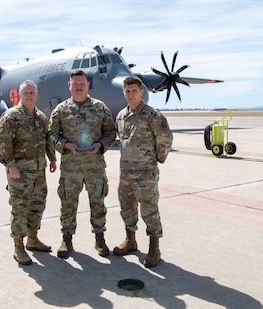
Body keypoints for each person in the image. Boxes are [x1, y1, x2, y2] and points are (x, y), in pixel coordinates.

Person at [49, 69, 116, 258]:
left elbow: (111, 132)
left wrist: (100, 145)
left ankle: (100, 238)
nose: (78, 87)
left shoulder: (100, 107)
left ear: (88, 85)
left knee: (98, 203)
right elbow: (52, 135)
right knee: (68, 204)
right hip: (70, 168)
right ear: (69, 86)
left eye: (82, 83)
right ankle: (67, 239)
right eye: (75, 84)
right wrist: (66, 145)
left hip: (95, 166)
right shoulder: (61, 110)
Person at [113, 76, 173, 268]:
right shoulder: (121, 116)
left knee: (150, 210)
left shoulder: (152, 115)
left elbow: (165, 139)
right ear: (124, 93)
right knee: (127, 208)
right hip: (126, 172)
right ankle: (130, 240)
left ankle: (154, 248)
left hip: (145, 173)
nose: (131, 95)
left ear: (141, 92)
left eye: (134, 91)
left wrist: (156, 159)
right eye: (127, 91)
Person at [0, 80, 57, 265]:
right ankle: (18, 246)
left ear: (37, 95)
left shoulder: (40, 117)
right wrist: (10, 165)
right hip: (20, 173)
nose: (29, 95)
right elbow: (3, 143)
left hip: (39, 171)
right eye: (26, 93)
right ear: (20, 95)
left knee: (37, 206)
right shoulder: (11, 116)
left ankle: (32, 239)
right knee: (19, 208)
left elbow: (46, 140)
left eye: (32, 92)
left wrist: (52, 158)